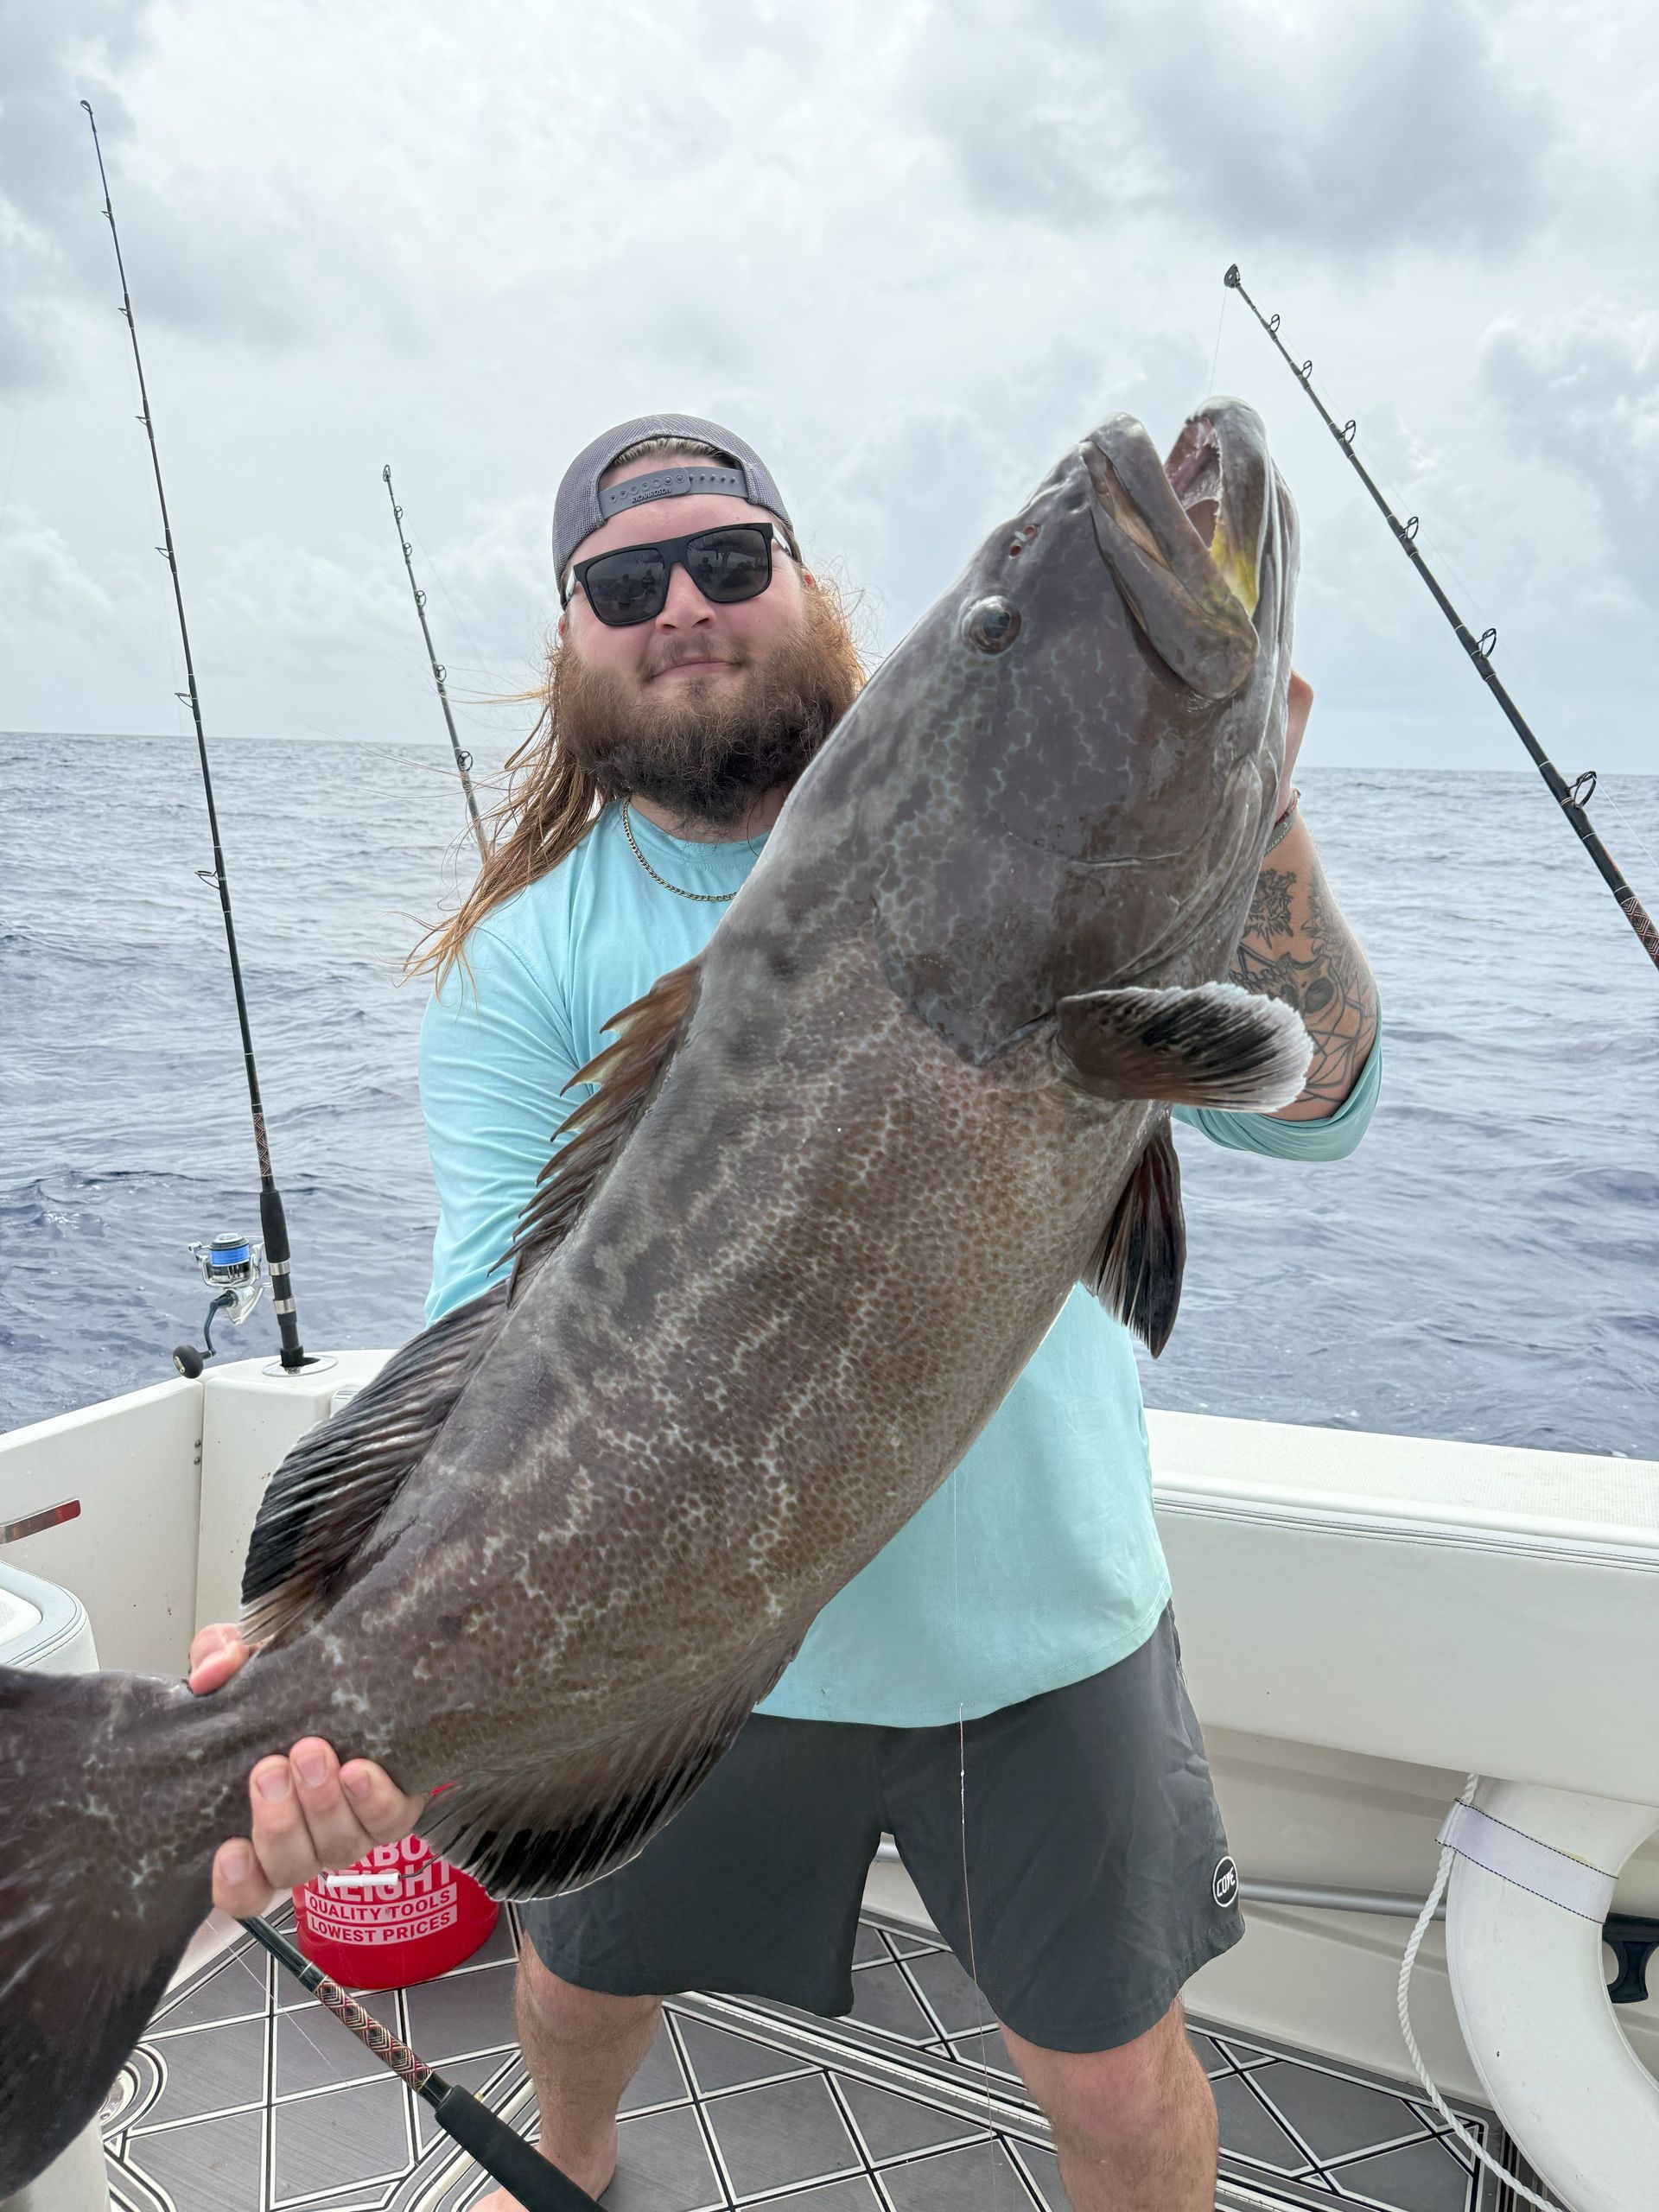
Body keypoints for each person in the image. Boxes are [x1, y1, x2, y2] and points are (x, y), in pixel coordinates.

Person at [189, 413, 1382, 2210]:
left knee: (1126, 2093)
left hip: (1042, 1625)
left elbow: (1324, 1097)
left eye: (730, 560)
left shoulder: (1033, 844)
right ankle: (564, 2167)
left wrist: (1245, 800)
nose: (683, 603)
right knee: (579, 1981)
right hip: (669, 1645)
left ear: (807, 587)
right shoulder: (527, 960)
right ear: (571, 635)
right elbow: (484, 1321)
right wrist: (324, 1645)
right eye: (625, 579)